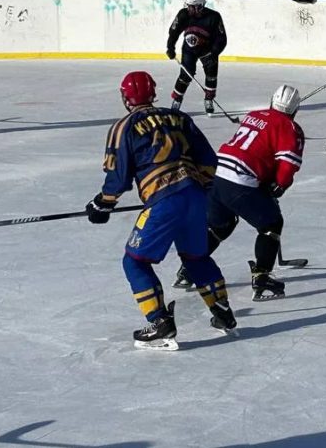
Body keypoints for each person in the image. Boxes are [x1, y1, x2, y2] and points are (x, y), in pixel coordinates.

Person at [84, 71, 235, 350]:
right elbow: (210, 163)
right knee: (196, 257)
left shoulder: (124, 126)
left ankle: (159, 322)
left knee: (134, 262)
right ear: (153, 93)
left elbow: (118, 178)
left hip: (164, 200)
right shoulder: (180, 118)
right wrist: (198, 190)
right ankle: (222, 311)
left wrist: (101, 204)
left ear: (125, 97)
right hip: (196, 196)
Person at [173, 85, 305, 301]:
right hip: (240, 179)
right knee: (271, 225)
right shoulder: (290, 127)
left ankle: (189, 269)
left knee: (220, 225)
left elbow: (254, 148)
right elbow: (288, 164)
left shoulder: (253, 115)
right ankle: (262, 276)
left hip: (217, 174)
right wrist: (279, 185)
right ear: (295, 109)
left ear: (272, 100)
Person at [165, 0, 227, 116]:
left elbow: (221, 38)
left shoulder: (213, 17)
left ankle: (209, 100)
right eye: (188, 6)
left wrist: (214, 54)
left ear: (199, 6)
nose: (188, 9)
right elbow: (173, 31)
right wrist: (170, 47)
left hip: (208, 51)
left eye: (191, 6)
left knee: (211, 75)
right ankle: (177, 99)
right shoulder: (183, 14)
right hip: (189, 50)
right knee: (185, 75)